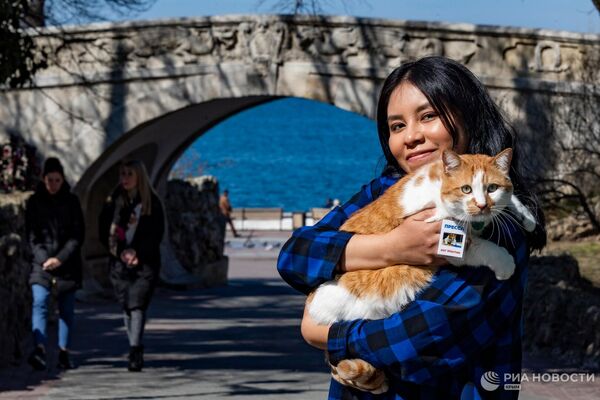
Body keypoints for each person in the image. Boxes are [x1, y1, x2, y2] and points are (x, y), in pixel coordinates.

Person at [277, 56, 546, 399]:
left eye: (428, 116)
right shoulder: (387, 188)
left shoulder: (493, 221)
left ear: (468, 115)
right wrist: (391, 247)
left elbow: (418, 339)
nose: (412, 136)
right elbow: (294, 256)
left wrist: (327, 334)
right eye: (396, 126)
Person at [98, 159, 164, 372]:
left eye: (129, 174)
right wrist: (120, 252)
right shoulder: (113, 202)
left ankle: (135, 350)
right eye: (123, 174)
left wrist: (138, 253)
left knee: (137, 304)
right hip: (119, 263)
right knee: (127, 306)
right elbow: (103, 231)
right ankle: (133, 345)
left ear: (139, 177)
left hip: (145, 264)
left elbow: (156, 234)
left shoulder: (152, 204)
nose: (125, 179)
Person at [25, 157, 84, 370]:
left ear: (62, 180)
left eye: (57, 180)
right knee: (39, 303)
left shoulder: (72, 202)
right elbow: (32, 236)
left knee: (66, 310)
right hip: (42, 267)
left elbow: (77, 235)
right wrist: (45, 260)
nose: (53, 185)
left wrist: (60, 258)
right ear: (43, 179)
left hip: (67, 266)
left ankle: (64, 352)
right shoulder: (34, 202)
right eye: (50, 180)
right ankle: (39, 349)